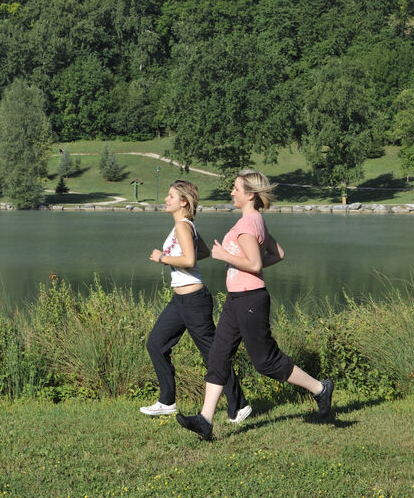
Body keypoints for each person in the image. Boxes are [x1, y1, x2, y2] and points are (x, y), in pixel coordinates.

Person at [176, 169, 334, 440]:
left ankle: (320, 389)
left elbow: (256, 263)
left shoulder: (248, 225)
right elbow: (278, 254)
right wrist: (246, 265)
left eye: (236, 189)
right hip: (237, 299)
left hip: (250, 300)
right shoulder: (256, 220)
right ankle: (205, 420)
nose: (232, 193)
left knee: (266, 361)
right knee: (218, 355)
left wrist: (223, 255)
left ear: (250, 194)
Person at [140, 180, 252, 424]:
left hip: (194, 301)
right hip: (180, 301)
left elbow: (190, 259)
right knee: (156, 344)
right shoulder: (186, 226)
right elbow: (202, 252)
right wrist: (173, 257)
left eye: (171, 196)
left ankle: (239, 405)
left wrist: (162, 258)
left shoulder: (182, 225)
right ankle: (167, 401)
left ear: (183, 202)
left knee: (213, 355)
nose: (166, 200)